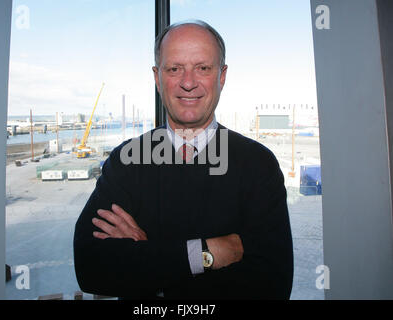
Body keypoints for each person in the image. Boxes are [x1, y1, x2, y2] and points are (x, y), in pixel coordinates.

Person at [73, 20, 293, 300]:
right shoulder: (126, 160)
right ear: (157, 77)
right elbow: (91, 268)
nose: (188, 83)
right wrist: (207, 254)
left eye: (203, 68)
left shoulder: (258, 165)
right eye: (174, 69)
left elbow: (272, 286)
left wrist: (148, 255)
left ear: (222, 76)